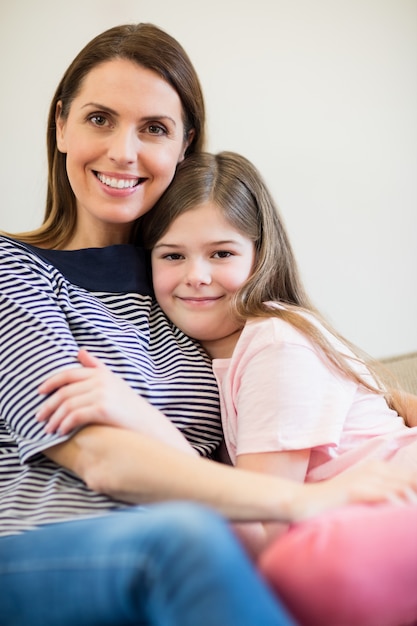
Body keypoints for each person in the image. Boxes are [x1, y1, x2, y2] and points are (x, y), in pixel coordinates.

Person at [3, 22, 411, 626]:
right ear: (61, 124)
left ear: (183, 148)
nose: (123, 151)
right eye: (98, 119)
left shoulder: (192, 295)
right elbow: (99, 458)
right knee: (187, 541)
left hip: (206, 549)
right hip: (53, 544)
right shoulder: (16, 269)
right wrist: (306, 501)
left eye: (154, 129)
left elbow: (315, 384)